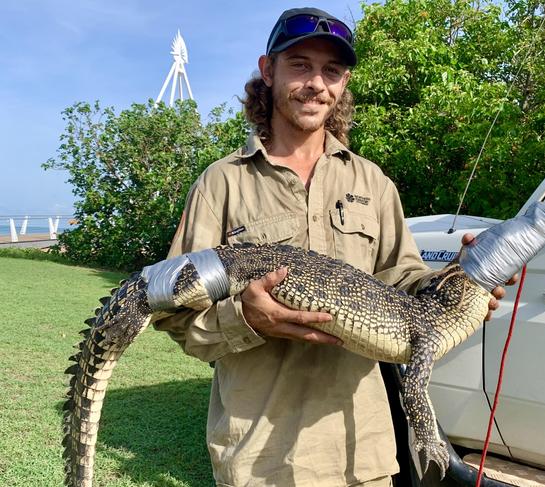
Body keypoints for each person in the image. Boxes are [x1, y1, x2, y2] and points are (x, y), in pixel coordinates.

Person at [155, 7, 508, 486]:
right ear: (268, 70)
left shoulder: (373, 182)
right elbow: (174, 311)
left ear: (342, 84)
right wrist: (247, 318)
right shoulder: (222, 184)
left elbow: (404, 285)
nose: (316, 83)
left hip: (363, 453)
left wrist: (460, 283)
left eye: (332, 71)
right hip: (260, 457)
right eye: (300, 64)